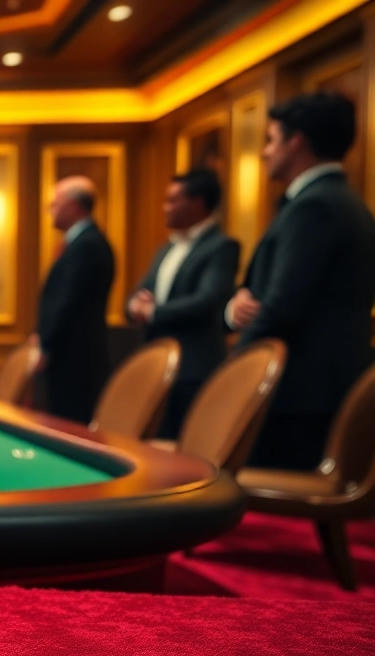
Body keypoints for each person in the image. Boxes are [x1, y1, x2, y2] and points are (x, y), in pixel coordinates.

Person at [227, 92, 375, 470]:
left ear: (298, 142)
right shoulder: (339, 200)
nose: (263, 152)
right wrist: (236, 307)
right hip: (318, 385)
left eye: (271, 140)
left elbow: (281, 307)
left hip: (303, 390)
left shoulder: (315, 206)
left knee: (276, 515)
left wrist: (232, 369)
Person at [127, 169, 239, 439]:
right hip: (156, 365)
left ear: (198, 202)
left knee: (188, 447)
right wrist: (134, 306)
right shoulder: (166, 248)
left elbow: (207, 300)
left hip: (194, 368)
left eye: (172, 200)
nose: (165, 207)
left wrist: (153, 311)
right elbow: (137, 295)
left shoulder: (222, 246)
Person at [31, 176, 115, 424]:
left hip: (76, 360)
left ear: (74, 206)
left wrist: (45, 343)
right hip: (70, 356)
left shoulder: (88, 244)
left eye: (55, 204)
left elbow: (66, 302)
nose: (50, 210)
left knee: (70, 425)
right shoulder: (80, 242)